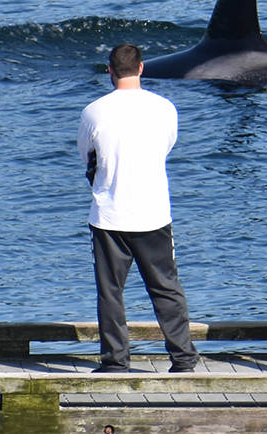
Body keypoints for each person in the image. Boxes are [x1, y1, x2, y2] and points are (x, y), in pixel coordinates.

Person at [78, 43, 200, 373]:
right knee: (166, 288)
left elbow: (87, 156)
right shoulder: (165, 108)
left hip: (108, 216)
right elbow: (167, 146)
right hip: (153, 213)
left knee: (110, 292)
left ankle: (116, 360)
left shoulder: (93, 111)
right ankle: (183, 357)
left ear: (109, 71)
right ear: (142, 68)